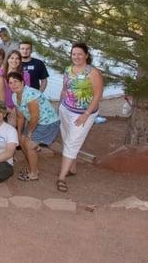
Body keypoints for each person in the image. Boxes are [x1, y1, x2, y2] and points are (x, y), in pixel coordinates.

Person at [57, 43, 103, 192]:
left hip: (83, 114)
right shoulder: (68, 69)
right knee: (66, 138)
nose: (76, 57)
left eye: (79, 54)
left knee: (72, 142)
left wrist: (86, 114)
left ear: (86, 55)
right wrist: (60, 105)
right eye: (73, 54)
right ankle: (72, 168)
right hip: (66, 109)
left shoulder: (93, 72)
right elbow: (65, 88)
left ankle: (61, 177)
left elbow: (98, 95)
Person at [9, 72, 60, 182]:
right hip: (37, 122)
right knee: (22, 140)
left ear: (22, 82)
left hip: (48, 122)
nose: (13, 85)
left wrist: (29, 133)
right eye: (11, 83)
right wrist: (19, 134)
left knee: (30, 144)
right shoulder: (14, 96)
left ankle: (33, 174)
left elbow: (35, 117)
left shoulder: (30, 94)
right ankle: (33, 168)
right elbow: (20, 117)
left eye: (16, 82)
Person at [0, 50, 31, 124]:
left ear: (20, 61)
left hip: (18, 107)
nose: (14, 60)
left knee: (14, 131)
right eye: (12, 58)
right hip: (2, 106)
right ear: (7, 59)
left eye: (17, 58)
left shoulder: (25, 75)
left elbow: (26, 94)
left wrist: (16, 108)